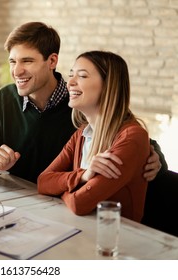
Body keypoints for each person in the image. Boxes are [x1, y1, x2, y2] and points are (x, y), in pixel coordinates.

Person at [0, 21, 165, 184]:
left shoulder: (81, 101)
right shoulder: (4, 99)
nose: (16, 71)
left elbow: (133, 136)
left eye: (27, 61)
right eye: (12, 61)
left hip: (62, 202)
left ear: (52, 61)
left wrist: (156, 156)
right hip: (18, 202)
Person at [37, 51, 149, 222]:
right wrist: (82, 176)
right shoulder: (82, 133)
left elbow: (79, 203)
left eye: (82, 76)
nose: (70, 83)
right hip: (79, 228)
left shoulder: (132, 137)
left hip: (117, 239)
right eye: (71, 75)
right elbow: (43, 181)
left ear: (108, 86)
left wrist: (64, 190)